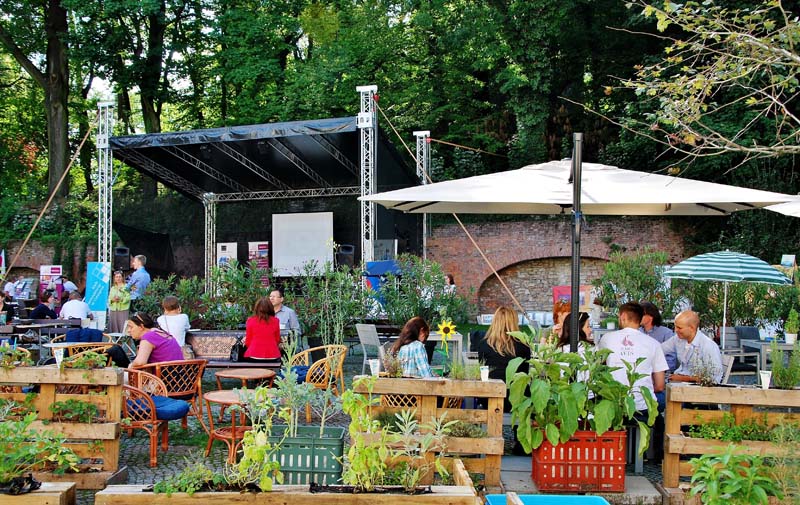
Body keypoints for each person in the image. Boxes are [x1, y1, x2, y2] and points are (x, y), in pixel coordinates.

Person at [597, 302, 668, 416]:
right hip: (643, 407)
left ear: (623, 316)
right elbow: (660, 386)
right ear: (640, 319)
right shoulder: (654, 344)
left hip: (613, 404)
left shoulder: (607, 339)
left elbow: (599, 367)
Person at [474, 306, 531, 406]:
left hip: (489, 398)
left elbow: (483, 371)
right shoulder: (523, 346)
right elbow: (525, 372)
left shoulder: (483, 345)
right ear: (514, 322)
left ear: (495, 322)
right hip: (517, 399)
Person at [662, 310, 723, 384]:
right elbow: (660, 349)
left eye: (679, 328)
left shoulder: (708, 345)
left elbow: (714, 378)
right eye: (675, 326)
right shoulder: (678, 339)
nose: (675, 330)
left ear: (692, 328)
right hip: (677, 383)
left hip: (695, 388)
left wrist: (684, 378)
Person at [640, 301, 677, 370]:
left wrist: (658, 371)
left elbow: (671, 360)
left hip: (660, 372)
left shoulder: (666, 333)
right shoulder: (636, 332)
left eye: (641, 314)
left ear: (651, 316)